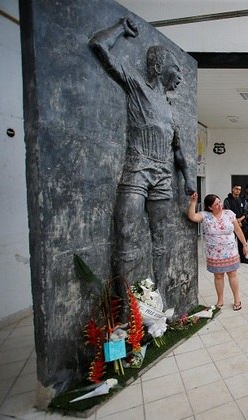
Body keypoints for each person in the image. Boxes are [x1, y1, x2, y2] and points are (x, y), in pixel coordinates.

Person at [89, 18, 196, 291]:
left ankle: (158, 297)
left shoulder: (171, 111)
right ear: (159, 68)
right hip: (138, 169)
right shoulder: (136, 85)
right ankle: (127, 311)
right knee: (126, 235)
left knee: (160, 239)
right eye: (175, 69)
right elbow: (99, 45)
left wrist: (187, 179)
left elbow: (179, 152)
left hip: (162, 175)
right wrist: (121, 29)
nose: (180, 77)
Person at [187, 192, 248, 311]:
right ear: (210, 207)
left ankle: (237, 299)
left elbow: (237, 230)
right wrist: (193, 202)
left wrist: (244, 244)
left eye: (219, 202)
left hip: (230, 251)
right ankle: (220, 300)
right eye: (216, 204)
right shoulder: (205, 216)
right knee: (218, 276)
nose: (220, 205)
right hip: (214, 253)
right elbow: (192, 216)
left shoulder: (229, 214)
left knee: (232, 274)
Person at [223, 184, 248, 264]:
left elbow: (246, 211)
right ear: (232, 189)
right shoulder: (227, 200)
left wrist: (239, 220)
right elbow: (227, 212)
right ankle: (229, 258)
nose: (238, 191)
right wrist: (236, 221)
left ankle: (242, 258)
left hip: (243, 224)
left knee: (243, 241)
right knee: (230, 242)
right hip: (231, 225)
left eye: (239, 189)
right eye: (236, 189)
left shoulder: (243, 200)